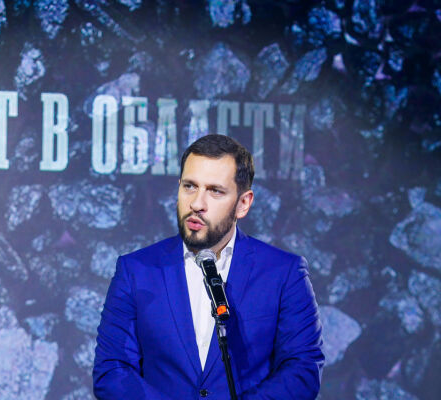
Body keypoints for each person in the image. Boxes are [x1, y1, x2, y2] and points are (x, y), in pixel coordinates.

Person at [93, 134, 324, 399]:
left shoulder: (284, 273)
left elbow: (302, 370)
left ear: (243, 203)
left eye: (215, 191)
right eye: (190, 186)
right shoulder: (136, 270)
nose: (196, 204)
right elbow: (112, 372)